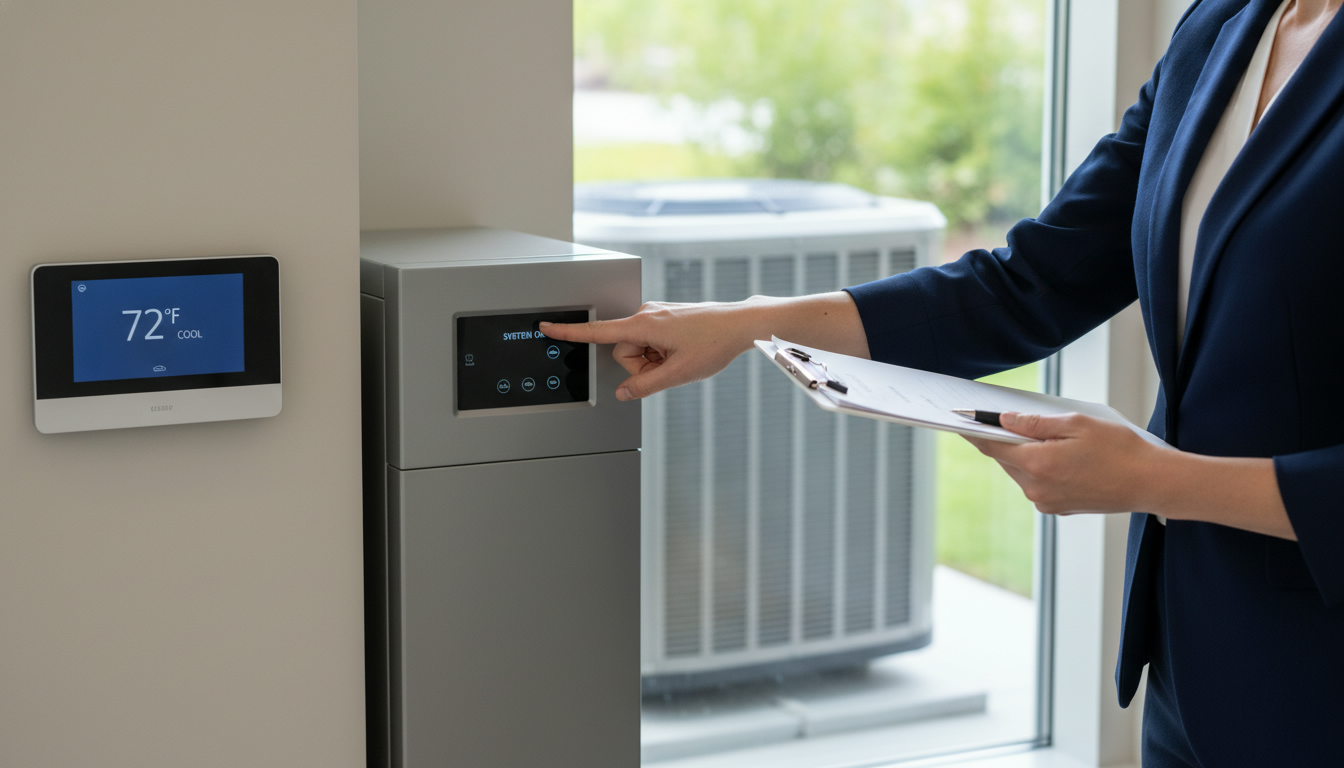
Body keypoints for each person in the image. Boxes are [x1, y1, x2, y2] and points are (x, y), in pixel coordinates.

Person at [544, 0, 1344, 763]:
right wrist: (747, 324)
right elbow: (1031, 282)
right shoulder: (1224, 27)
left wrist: (1157, 480)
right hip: (1194, 653)